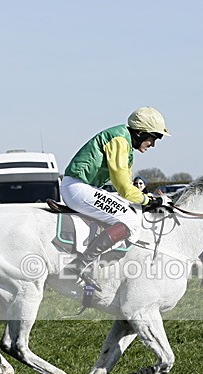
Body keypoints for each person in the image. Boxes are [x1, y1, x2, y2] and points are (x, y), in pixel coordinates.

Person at [59, 106, 171, 290]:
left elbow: (126, 187)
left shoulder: (125, 143)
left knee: (132, 211)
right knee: (130, 221)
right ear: (142, 133)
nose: (153, 144)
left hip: (84, 186)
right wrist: (151, 201)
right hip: (77, 187)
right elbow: (125, 189)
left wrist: (145, 198)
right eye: (154, 138)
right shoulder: (119, 140)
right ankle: (81, 265)